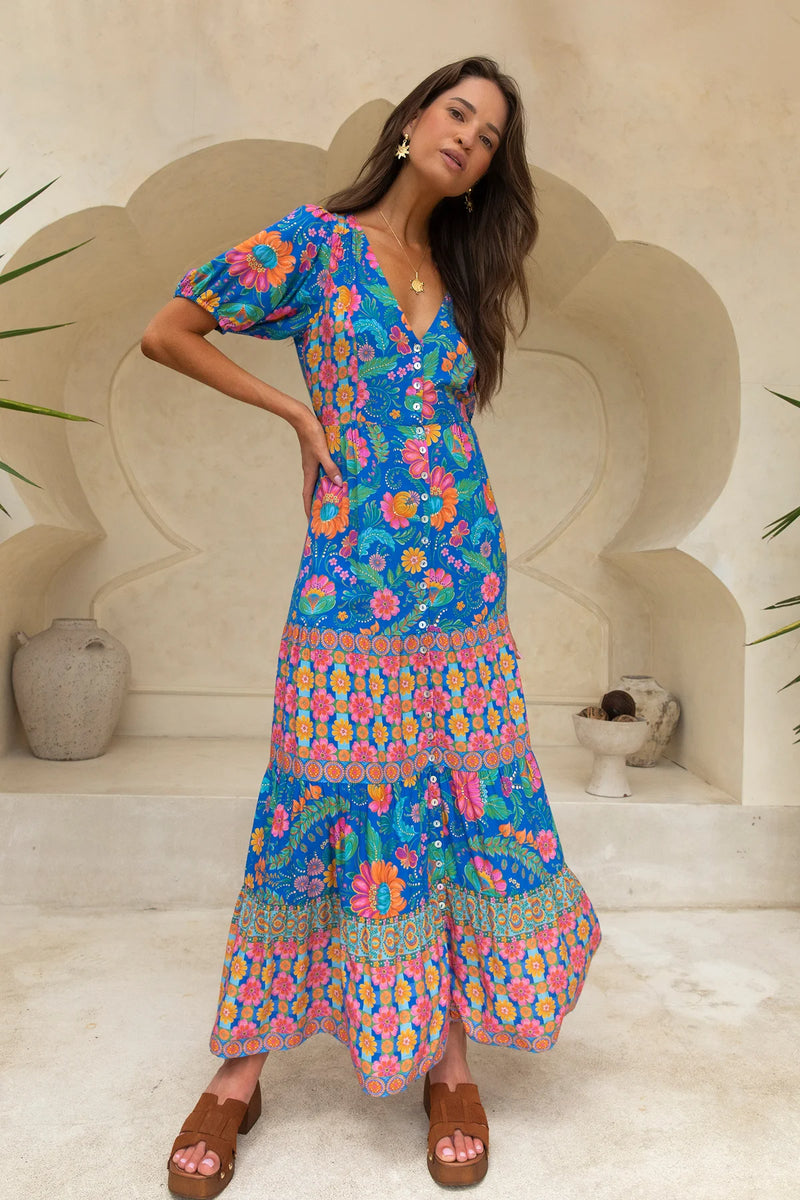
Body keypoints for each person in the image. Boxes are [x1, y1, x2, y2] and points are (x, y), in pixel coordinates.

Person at [141, 54, 602, 1194]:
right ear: (409, 122)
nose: (467, 139)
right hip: (350, 572)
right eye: (456, 113)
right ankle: (238, 1074)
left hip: (462, 579)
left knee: (457, 796)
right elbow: (169, 329)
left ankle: (449, 1063)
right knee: (314, 794)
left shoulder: (456, 269)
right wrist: (296, 414)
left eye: (488, 137)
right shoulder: (311, 243)